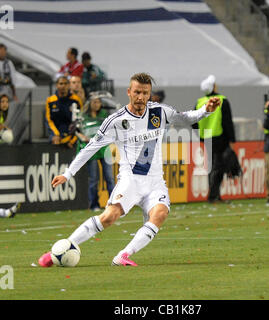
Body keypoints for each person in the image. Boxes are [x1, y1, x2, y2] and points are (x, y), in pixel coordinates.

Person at [38, 72, 220, 267]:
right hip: (130, 180)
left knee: (160, 214)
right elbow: (91, 147)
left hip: (155, 181)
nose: (141, 97)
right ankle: (60, 250)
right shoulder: (115, 121)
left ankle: (123, 255)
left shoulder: (160, 112)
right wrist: (68, 173)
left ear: (149, 94)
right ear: (129, 92)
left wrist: (205, 110)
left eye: (145, 93)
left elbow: (184, 118)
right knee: (109, 217)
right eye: (137, 92)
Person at [192, 75, 236, 203]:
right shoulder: (222, 100)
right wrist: (232, 140)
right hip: (220, 138)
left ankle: (214, 194)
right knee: (219, 167)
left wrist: (199, 135)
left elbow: (193, 121)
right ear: (213, 87)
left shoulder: (200, 102)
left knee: (211, 167)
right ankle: (214, 196)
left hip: (206, 139)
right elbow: (228, 122)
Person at [76, 95, 115, 211]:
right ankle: (94, 205)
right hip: (91, 150)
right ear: (89, 104)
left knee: (110, 178)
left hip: (104, 149)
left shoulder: (104, 115)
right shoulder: (83, 116)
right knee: (93, 179)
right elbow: (77, 130)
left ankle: (113, 204)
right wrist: (83, 137)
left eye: (98, 102)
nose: (96, 104)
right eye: (94, 102)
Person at [45, 76, 83, 148]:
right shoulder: (50, 100)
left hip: (71, 132)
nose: (63, 86)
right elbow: (48, 120)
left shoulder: (76, 100)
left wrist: (72, 139)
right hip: (55, 132)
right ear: (57, 85)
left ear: (69, 85)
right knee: (55, 141)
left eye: (65, 84)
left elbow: (80, 119)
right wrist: (55, 134)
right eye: (61, 83)